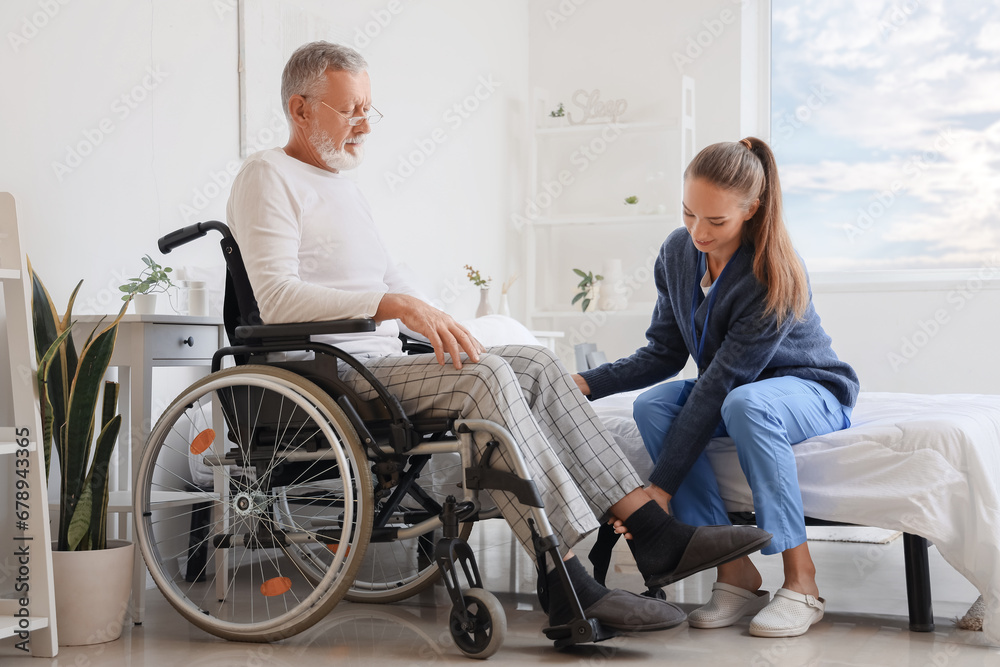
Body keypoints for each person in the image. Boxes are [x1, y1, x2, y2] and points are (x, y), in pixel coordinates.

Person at [225, 41, 771, 637]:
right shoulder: (267, 175)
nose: (363, 124)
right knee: (487, 377)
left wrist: (431, 315)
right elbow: (277, 298)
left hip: (379, 364)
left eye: (368, 110)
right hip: (332, 375)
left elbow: (389, 279)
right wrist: (392, 304)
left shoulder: (345, 188)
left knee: (533, 363)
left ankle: (653, 533)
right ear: (300, 110)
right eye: (349, 108)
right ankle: (565, 579)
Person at [574, 137, 859, 638]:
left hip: (808, 389)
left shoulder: (772, 273)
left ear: (751, 209)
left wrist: (658, 487)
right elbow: (664, 352)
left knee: (745, 402)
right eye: (689, 214)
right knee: (654, 404)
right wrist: (585, 382)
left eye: (716, 221)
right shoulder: (677, 252)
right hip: (736, 391)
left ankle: (803, 582)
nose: (698, 232)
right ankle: (736, 573)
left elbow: (724, 382)